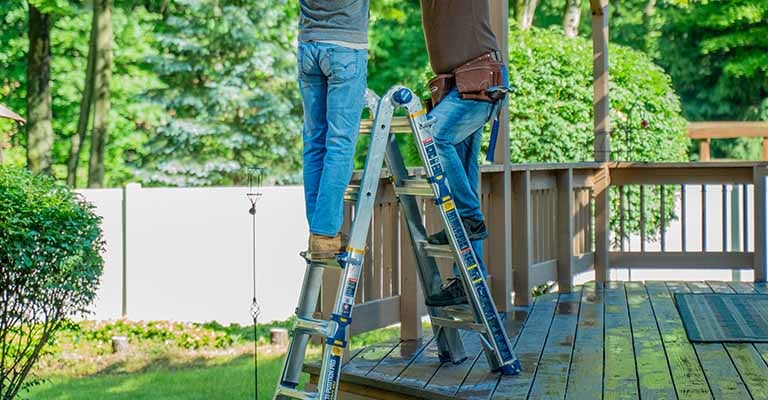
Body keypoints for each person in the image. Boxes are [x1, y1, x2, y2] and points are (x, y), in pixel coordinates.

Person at [419, 0, 508, 306]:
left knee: (432, 135)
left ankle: (469, 217)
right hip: (458, 86)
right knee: (465, 181)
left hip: (479, 79)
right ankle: (469, 280)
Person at [298, 0, 370, 258]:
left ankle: (319, 232)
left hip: (309, 45)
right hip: (346, 48)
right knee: (340, 143)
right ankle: (326, 233)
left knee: (315, 141)